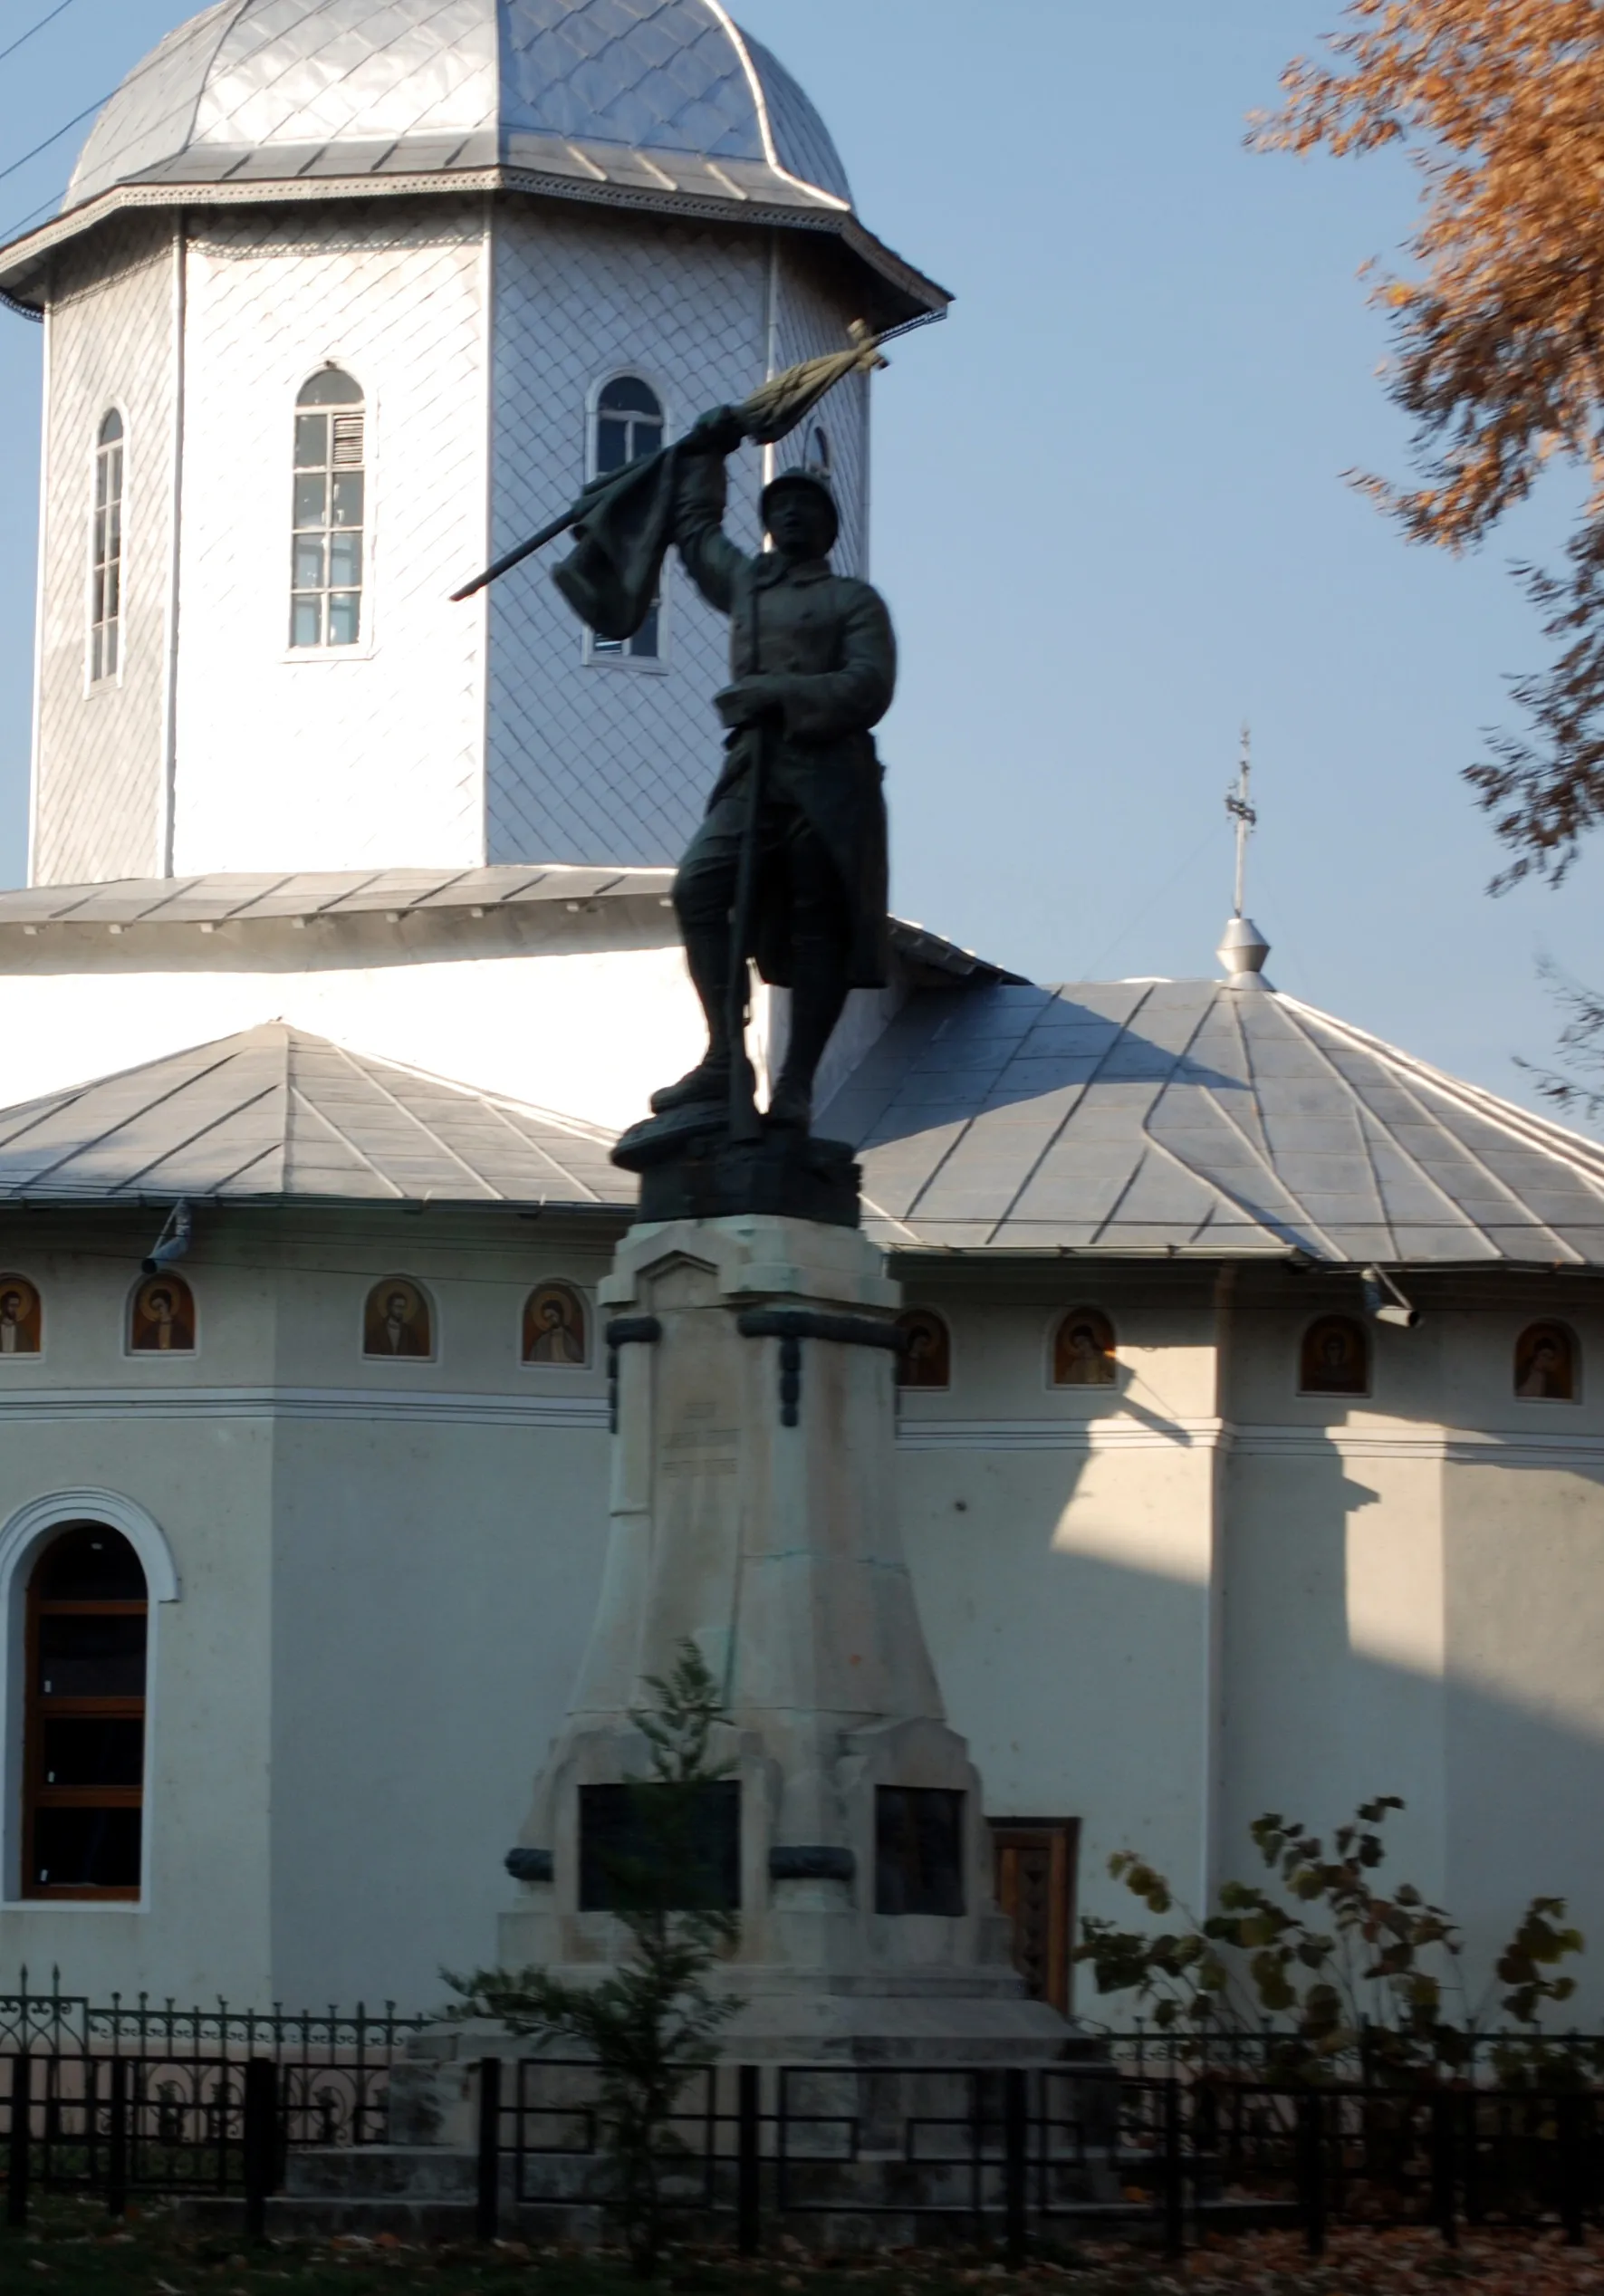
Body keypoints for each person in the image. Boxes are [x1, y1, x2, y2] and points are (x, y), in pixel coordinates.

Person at [648, 416, 897, 1133]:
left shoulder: (854, 601)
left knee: (817, 928)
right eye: (778, 504)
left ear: (827, 525)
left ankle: (795, 1083)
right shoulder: (750, 586)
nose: (789, 512)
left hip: (827, 782)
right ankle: (727, 1053)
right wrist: (706, 450)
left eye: (804, 505)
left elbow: (868, 685)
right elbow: (695, 535)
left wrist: (778, 696)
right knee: (698, 884)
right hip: (752, 770)